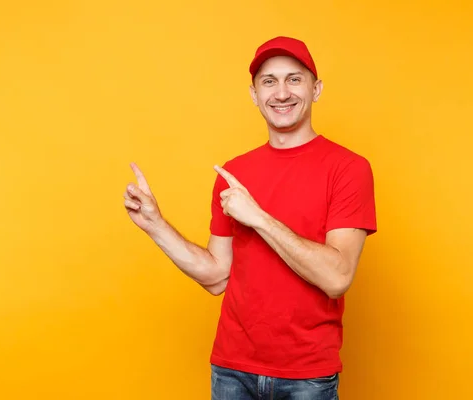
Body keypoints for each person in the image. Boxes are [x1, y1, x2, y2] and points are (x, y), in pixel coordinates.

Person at [123, 36, 377, 400]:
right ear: (254, 94)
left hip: (306, 377)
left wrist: (257, 217)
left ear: (316, 88)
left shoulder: (348, 169)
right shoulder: (234, 172)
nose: (281, 93)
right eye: (269, 81)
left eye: (294, 79)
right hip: (231, 371)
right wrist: (154, 224)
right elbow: (215, 276)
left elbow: (336, 277)